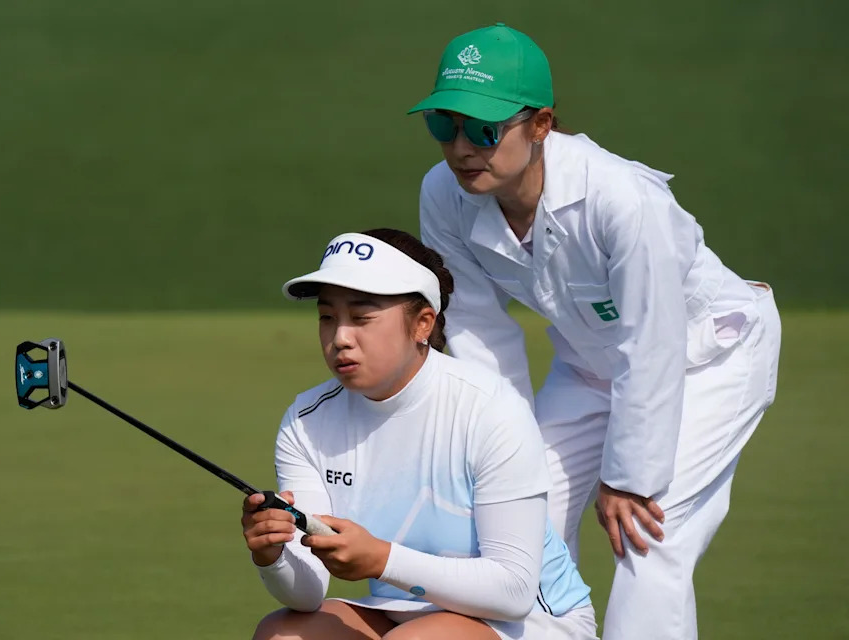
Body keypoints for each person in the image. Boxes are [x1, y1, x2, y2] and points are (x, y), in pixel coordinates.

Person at [407, 22, 782, 640]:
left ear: (541, 125)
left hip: (712, 355)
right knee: (514, 522)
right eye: (444, 124)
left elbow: (653, 342)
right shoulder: (443, 194)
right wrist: (495, 445)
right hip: (591, 365)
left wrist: (628, 477)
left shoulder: (623, 200)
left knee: (647, 535)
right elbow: (475, 329)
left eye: (484, 128)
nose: (461, 147)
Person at [243, 228, 597, 640]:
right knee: (282, 635)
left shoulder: (490, 406)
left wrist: (381, 560)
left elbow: (514, 591)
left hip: (532, 622)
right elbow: (307, 593)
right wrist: (272, 555)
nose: (340, 338)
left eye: (362, 318)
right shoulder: (305, 420)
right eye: (327, 317)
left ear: (423, 323)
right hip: (403, 612)